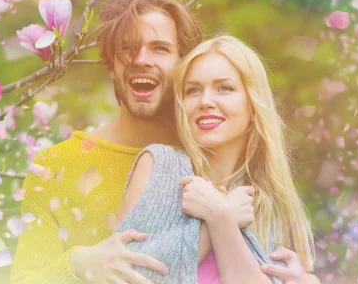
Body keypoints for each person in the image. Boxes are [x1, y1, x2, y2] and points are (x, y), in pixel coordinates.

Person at [11, 0, 319, 283]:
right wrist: (77, 262)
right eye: (126, 49)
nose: (141, 59)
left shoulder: (221, 154)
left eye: (159, 48)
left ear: (182, 65)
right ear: (111, 65)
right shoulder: (57, 167)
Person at [111, 35, 319, 284]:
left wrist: (221, 221)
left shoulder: (272, 202)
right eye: (193, 91)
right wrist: (218, 220)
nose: (205, 102)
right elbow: (124, 275)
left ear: (253, 106)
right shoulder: (159, 165)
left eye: (224, 88)